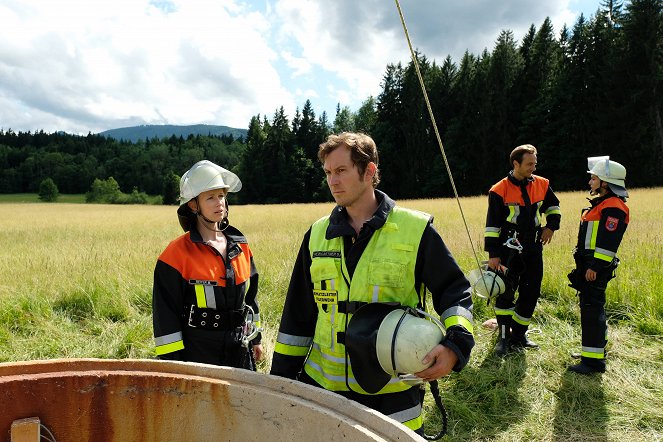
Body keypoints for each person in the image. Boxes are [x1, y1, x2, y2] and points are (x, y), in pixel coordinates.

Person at [270, 132, 475, 434]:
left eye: (341, 171)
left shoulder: (415, 229)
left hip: (392, 390)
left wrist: (456, 345)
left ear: (369, 172)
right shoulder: (316, 234)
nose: (332, 181)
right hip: (324, 387)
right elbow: (297, 315)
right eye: (328, 172)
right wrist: (281, 381)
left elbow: (454, 289)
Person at [152, 160, 263, 369]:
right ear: (194, 205)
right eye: (210, 197)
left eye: (221, 195)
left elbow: (251, 297)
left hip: (240, 349)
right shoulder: (175, 254)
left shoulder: (240, 246)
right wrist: (174, 366)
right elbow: (165, 315)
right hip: (198, 352)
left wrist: (256, 339)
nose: (219, 202)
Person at [484, 144, 561, 356]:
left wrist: (551, 226)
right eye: (529, 164)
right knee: (505, 293)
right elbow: (492, 225)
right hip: (507, 248)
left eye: (535, 163)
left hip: (534, 247)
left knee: (531, 291)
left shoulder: (543, 184)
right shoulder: (498, 190)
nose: (533, 168)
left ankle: (519, 335)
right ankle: (502, 338)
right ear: (515, 164)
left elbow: (553, 207)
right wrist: (493, 255)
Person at [567, 156, 629, 374]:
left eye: (593, 178)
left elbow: (608, 243)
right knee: (591, 307)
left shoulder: (613, 207)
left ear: (605, 182)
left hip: (595, 267)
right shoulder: (603, 204)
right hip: (590, 265)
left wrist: (595, 267)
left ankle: (593, 363)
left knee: (592, 310)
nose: (590, 182)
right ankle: (592, 351)